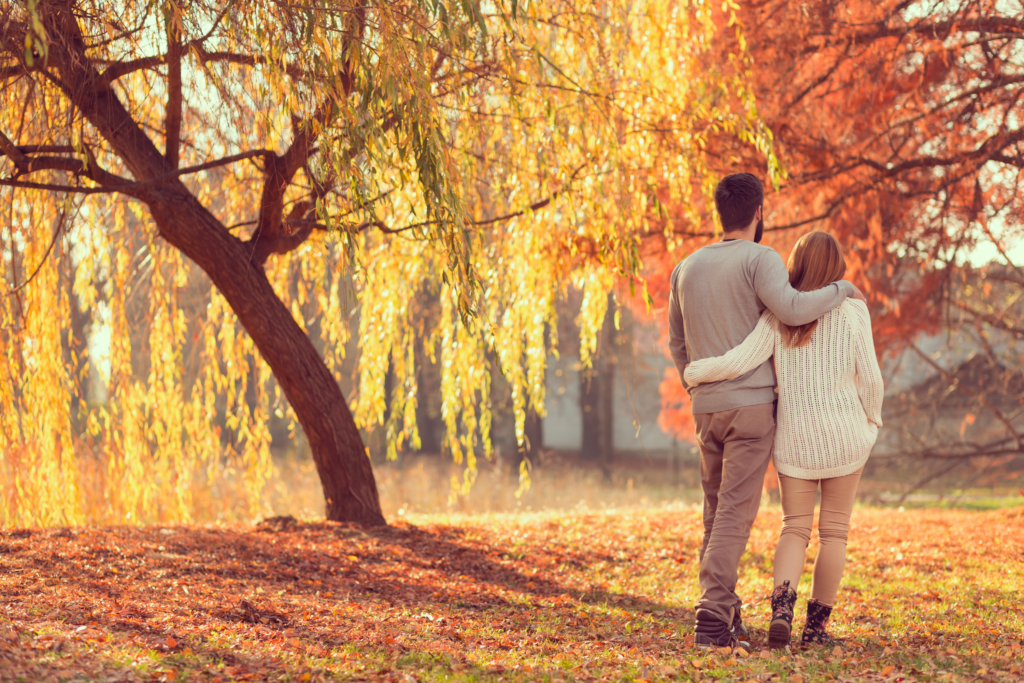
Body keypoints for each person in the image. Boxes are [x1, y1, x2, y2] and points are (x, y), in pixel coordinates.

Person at [668, 173, 864, 649]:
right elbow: (794, 309)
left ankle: (726, 609)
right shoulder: (760, 258)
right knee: (734, 513)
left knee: (714, 511)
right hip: (750, 408)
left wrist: (697, 389)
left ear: (722, 213)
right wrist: (842, 290)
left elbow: (678, 344)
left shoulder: (685, 268)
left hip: (705, 407)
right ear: (758, 213)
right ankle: (713, 615)